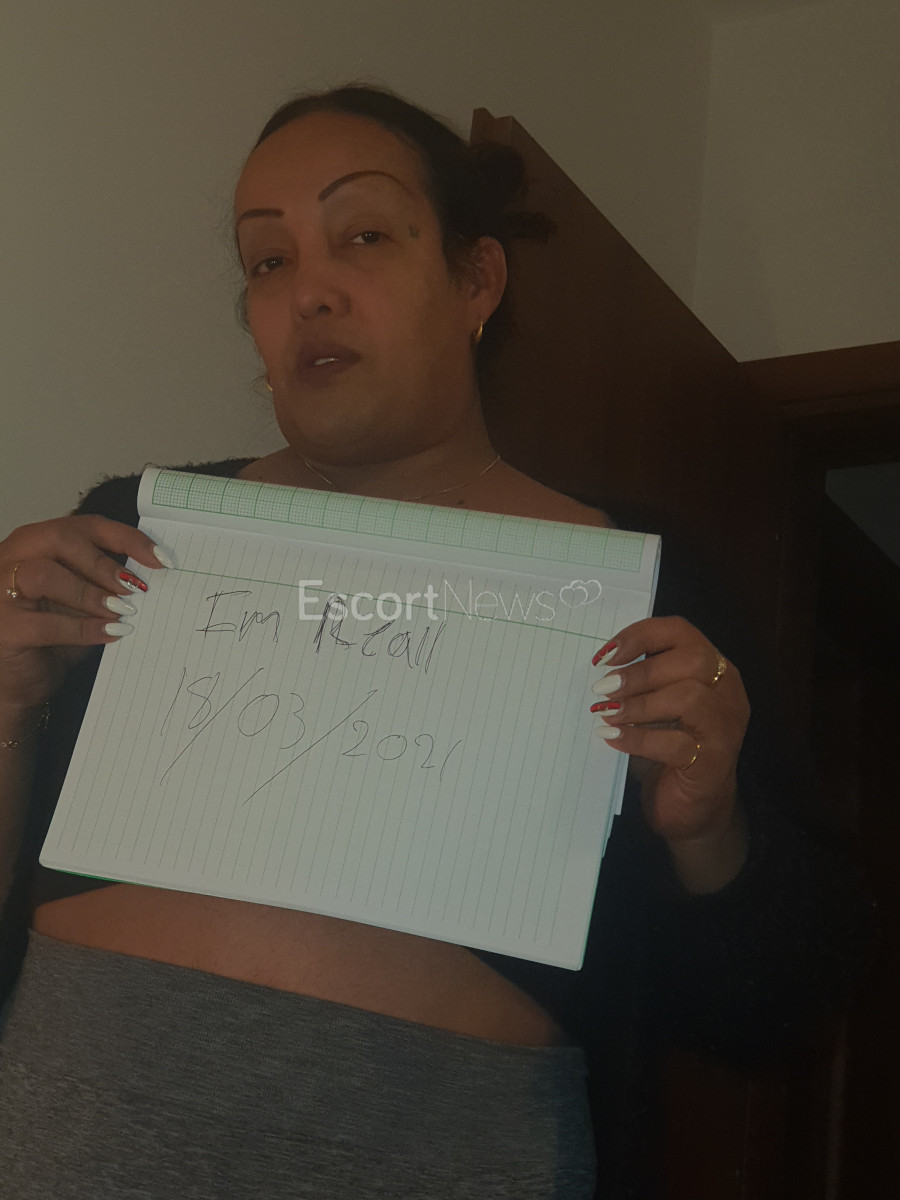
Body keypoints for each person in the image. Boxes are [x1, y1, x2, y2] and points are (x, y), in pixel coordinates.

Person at [0, 85, 874, 1199]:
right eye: (268, 260)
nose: (311, 290)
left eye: (364, 235)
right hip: (77, 1139)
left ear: (476, 280)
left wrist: (709, 829)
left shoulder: (643, 590)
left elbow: (777, 1009)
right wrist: (6, 704)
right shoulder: (135, 535)